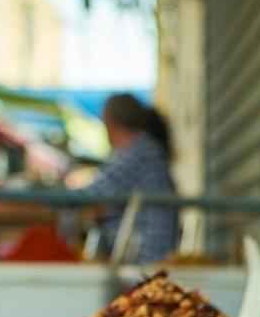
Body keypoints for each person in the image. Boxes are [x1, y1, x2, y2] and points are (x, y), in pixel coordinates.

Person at [74, 94, 180, 263]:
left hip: (145, 261)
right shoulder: (143, 149)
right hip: (145, 258)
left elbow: (85, 197)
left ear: (110, 122)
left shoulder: (137, 152)